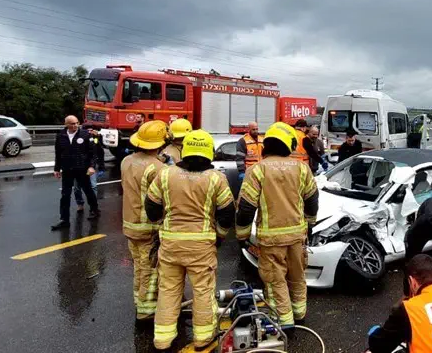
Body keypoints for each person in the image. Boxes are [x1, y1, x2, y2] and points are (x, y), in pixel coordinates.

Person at [145, 129, 235, 350]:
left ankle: (163, 338)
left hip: (170, 245)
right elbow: (226, 214)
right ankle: (203, 337)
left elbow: (152, 207)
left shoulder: (166, 174)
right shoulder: (216, 178)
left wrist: (162, 228)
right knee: (203, 291)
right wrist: (219, 237)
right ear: (209, 152)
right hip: (201, 246)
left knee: (168, 290)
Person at [236, 122, 319, 328]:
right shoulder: (302, 168)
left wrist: (242, 235)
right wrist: (310, 223)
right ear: (289, 144)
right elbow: (312, 199)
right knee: (298, 276)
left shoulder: (257, 170)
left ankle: (284, 322)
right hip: (297, 236)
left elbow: (246, 208)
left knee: (275, 281)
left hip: (271, 238)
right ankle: (300, 314)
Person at [120, 120, 169, 322]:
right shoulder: (158, 168)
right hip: (149, 227)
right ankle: (146, 310)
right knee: (150, 269)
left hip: (129, 224)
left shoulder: (126, 161)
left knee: (139, 267)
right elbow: (162, 201)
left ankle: (139, 302)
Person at [51, 115, 101, 230]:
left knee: (88, 190)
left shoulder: (85, 134)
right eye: (72, 124)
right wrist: (56, 169)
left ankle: (94, 209)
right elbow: (58, 154)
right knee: (65, 195)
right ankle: (64, 220)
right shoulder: (61, 136)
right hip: (67, 169)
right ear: (66, 124)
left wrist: (92, 166)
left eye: (76, 123)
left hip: (82, 169)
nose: (75, 126)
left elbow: (93, 153)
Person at [73, 125, 106, 214]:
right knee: (77, 187)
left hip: (91, 166)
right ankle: (80, 203)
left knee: (93, 186)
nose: (89, 132)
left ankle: (93, 206)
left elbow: (99, 152)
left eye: (91, 130)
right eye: (88, 130)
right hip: (79, 166)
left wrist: (97, 137)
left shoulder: (94, 139)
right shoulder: (78, 138)